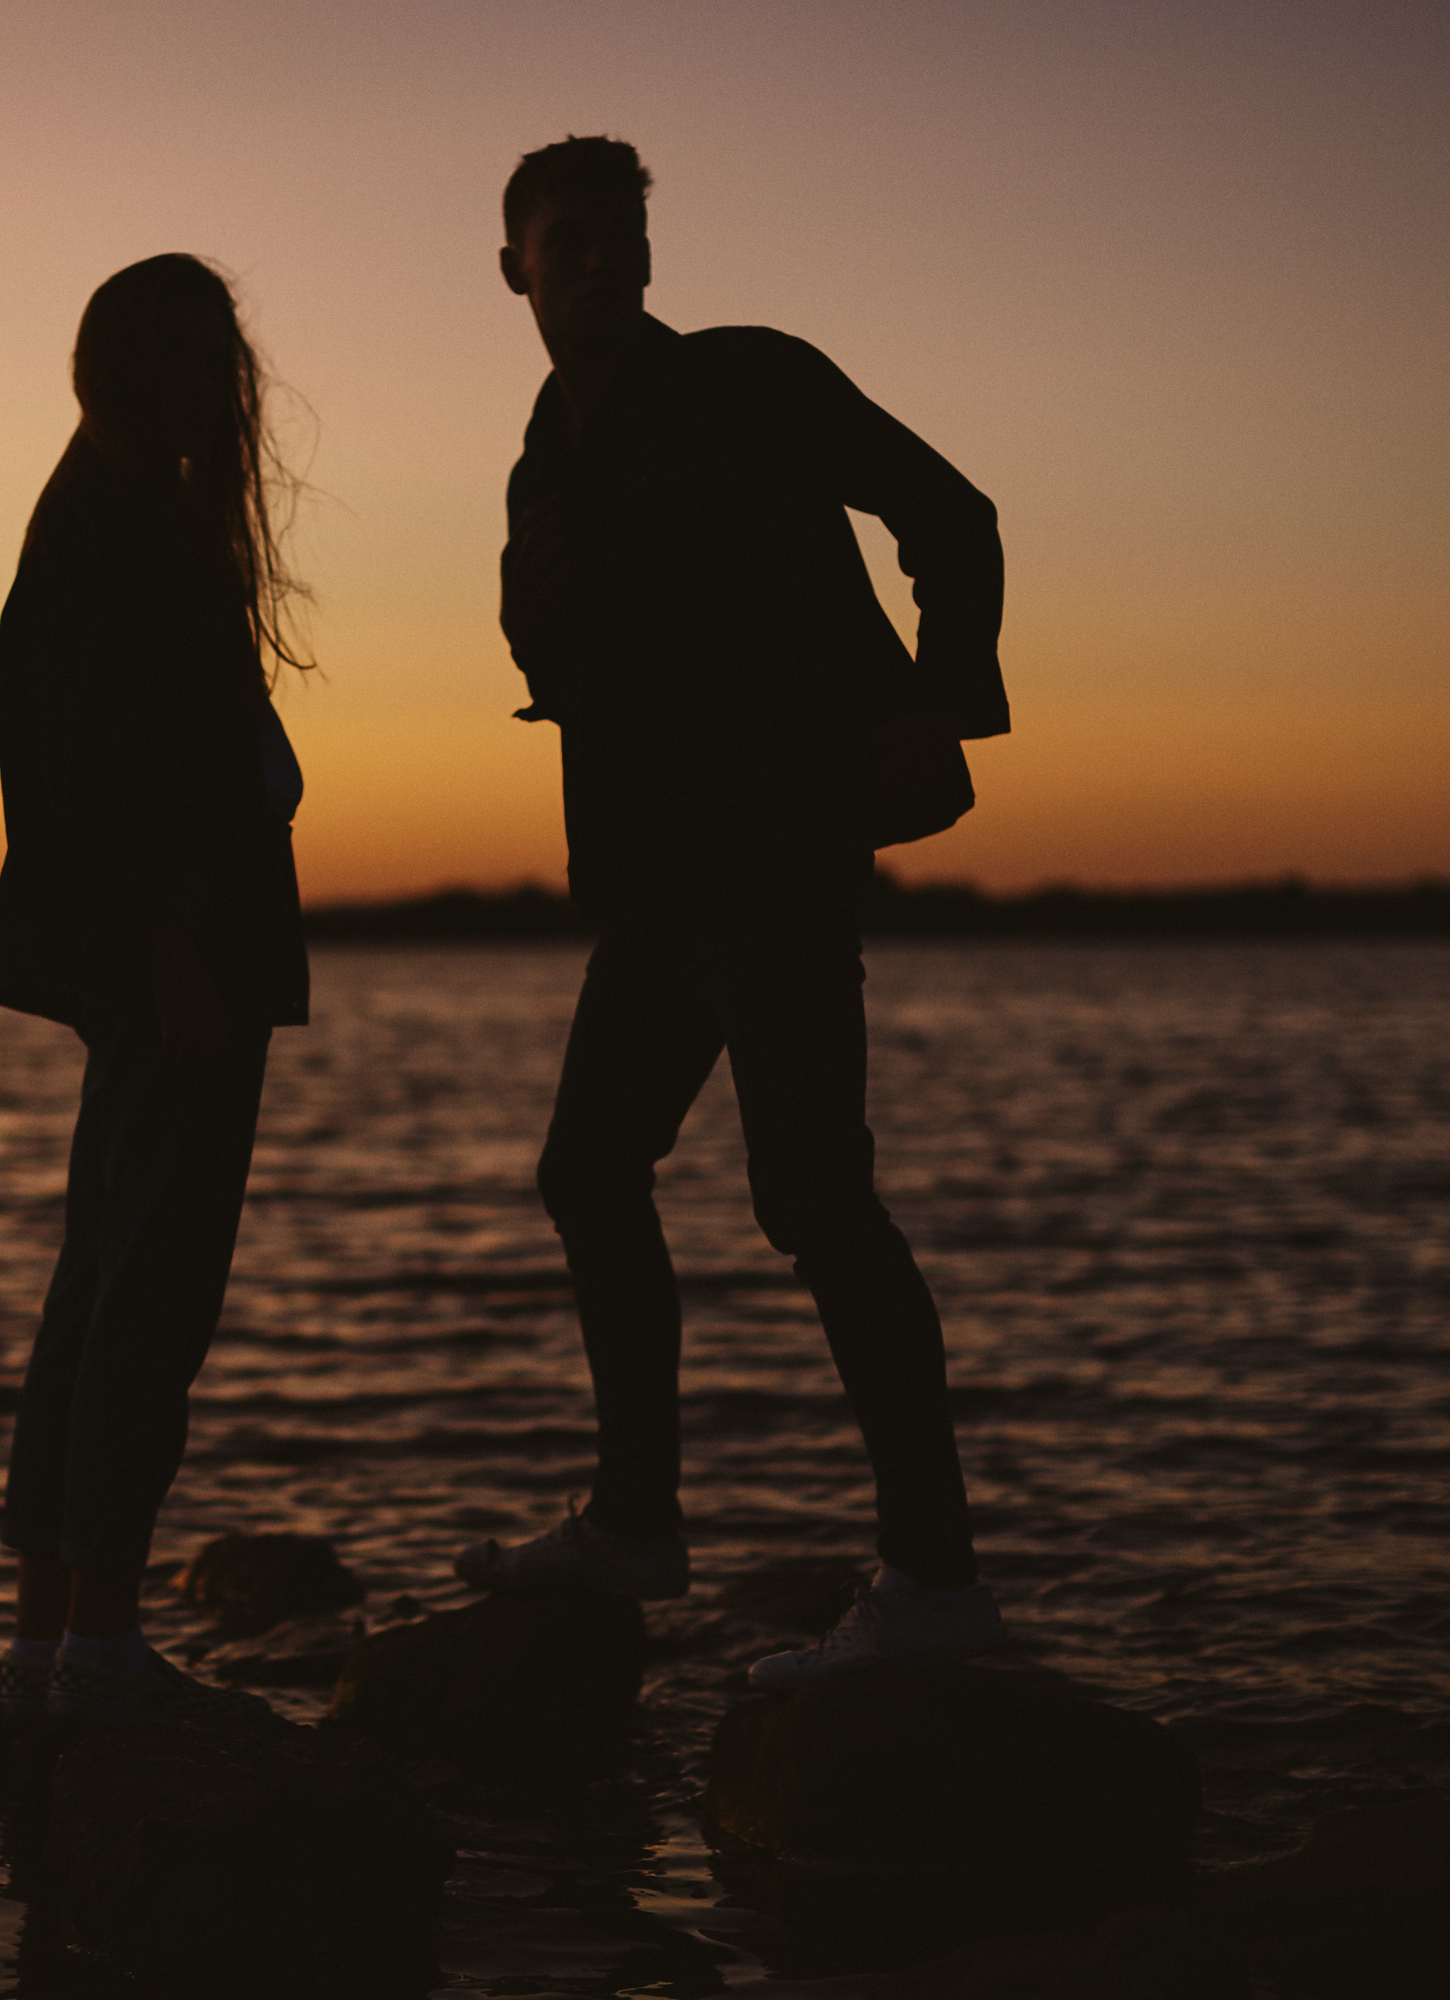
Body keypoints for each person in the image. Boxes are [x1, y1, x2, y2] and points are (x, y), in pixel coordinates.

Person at [452, 137, 1012, 1687]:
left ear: (647, 251)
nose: (599, 264)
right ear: (516, 269)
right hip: (656, 881)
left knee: (815, 1199)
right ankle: (636, 1522)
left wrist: (934, 711)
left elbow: (951, 515)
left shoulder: (755, 378)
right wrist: (538, 612)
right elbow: (562, 665)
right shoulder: (542, 452)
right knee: (588, 1169)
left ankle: (938, 1582)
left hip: (774, 856)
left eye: (620, 237)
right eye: (567, 242)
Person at [0, 253, 310, 1729]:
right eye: (173, 359)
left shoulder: (118, 517)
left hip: (160, 949)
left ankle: (51, 1632)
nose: (203, 386)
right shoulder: (118, 531)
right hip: (178, 956)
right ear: (103, 371)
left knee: (103, 1273)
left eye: (215, 362)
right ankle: (100, 1633)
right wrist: (175, 942)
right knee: (151, 1289)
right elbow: (103, 775)